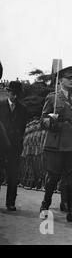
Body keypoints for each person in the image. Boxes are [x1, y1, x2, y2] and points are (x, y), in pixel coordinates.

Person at [39, 66, 72, 223]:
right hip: (56, 144)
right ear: (61, 80)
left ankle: (71, 211)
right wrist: (50, 120)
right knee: (53, 177)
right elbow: (42, 120)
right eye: (69, 78)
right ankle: (45, 205)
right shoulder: (52, 98)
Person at [0, 81, 28, 211]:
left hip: (14, 147)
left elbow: (22, 128)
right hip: (0, 146)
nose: (15, 97)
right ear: (8, 92)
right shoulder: (0, 106)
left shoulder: (23, 109)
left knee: (12, 176)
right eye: (13, 93)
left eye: (17, 94)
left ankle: (10, 202)